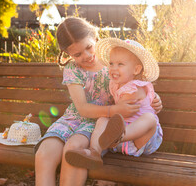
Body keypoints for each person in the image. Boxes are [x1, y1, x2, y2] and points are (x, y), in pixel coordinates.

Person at [34, 17, 162, 186]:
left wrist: (154, 98)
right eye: (77, 54)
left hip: (96, 125)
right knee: (44, 153)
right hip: (74, 119)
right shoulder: (73, 69)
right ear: (68, 54)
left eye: (88, 47)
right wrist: (115, 109)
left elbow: (136, 83)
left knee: (73, 150)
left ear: (95, 37)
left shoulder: (113, 62)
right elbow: (82, 109)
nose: (86, 56)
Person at [65, 38, 162, 169]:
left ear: (136, 69)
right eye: (111, 63)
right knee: (102, 119)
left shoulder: (136, 87)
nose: (113, 68)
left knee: (150, 119)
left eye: (120, 64)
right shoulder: (114, 85)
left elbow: (124, 107)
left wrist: (155, 98)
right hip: (116, 139)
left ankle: (119, 135)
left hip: (141, 139)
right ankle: (94, 152)